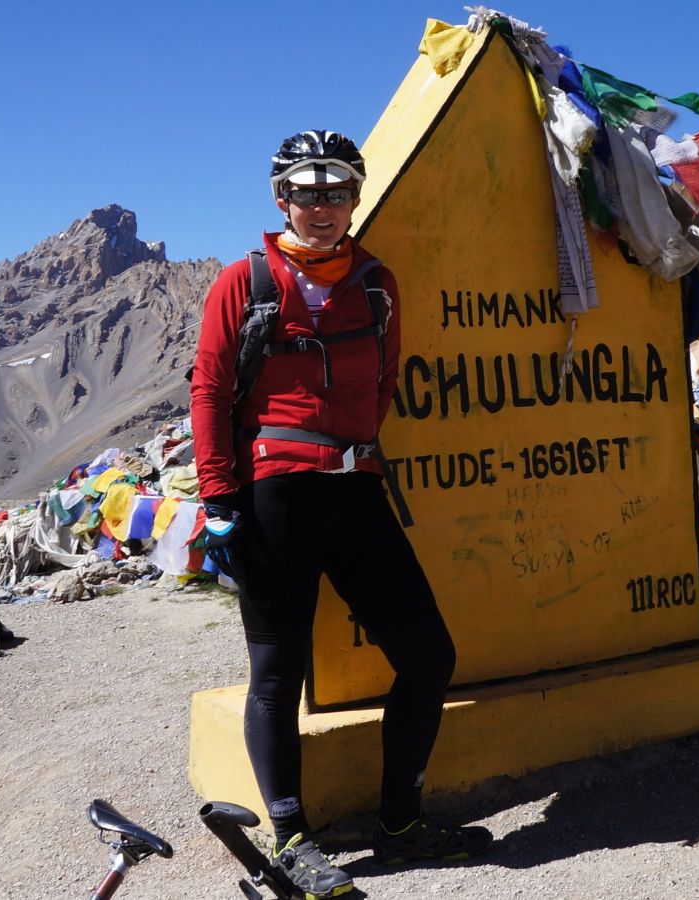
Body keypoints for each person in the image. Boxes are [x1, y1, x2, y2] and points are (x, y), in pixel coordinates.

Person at [189, 130, 491, 899]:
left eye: (336, 192)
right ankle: (291, 841)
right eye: (305, 192)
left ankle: (398, 826)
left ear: (355, 197)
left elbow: (385, 380)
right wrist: (220, 499)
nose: (321, 207)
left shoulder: (378, 283)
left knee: (429, 655)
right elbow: (211, 393)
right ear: (280, 198)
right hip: (272, 497)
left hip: (356, 490)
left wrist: (347, 449)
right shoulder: (243, 282)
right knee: (277, 670)